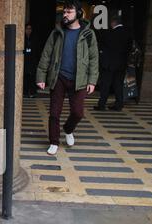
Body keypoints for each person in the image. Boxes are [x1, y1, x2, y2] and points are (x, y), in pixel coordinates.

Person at [36, 0, 99, 155]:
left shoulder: (88, 34)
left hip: (80, 79)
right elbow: (46, 55)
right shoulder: (57, 32)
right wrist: (41, 76)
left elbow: (93, 58)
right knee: (54, 112)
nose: (65, 14)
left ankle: (68, 129)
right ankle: (54, 141)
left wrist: (92, 80)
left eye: (69, 11)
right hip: (59, 76)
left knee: (78, 112)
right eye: (64, 12)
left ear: (78, 13)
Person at [95, 15, 132, 111]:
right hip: (121, 64)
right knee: (118, 85)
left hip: (108, 64)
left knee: (105, 85)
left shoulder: (109, 33)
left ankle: (102, 104)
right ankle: (119, 104)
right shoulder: (128, 34)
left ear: (113, 22)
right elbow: (129, 49)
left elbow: (102, 46)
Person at [23, 23, 39, 98]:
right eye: (27, 29)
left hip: (32, 60)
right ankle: (25, 92)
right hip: (25, 59)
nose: (28, 30)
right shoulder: (22, 39)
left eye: (30, 29)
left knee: (32, 76)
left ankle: (32, 92)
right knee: (25, 76)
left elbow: (36, 49)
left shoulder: (34, 38)